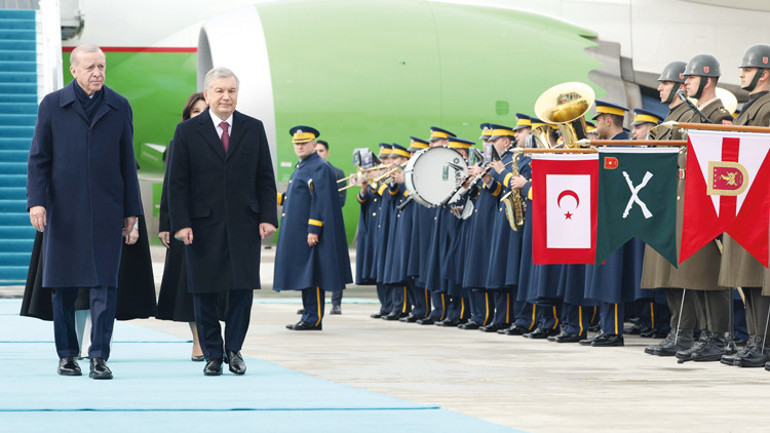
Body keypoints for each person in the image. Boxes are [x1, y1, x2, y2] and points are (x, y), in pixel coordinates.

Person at [27, 44, 143, 380]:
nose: (97, 73)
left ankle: (99, 357)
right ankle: (67, 355)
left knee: (105, 285)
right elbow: (39, 158)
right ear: (73, 70)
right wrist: (37, 201)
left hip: (107, 210)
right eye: (90, 67)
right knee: (62, 287)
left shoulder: (119, 106)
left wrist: (131, 210)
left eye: (101, 66)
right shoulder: (52, 105)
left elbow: (127, 162)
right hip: (63, 211)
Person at [169, 67, 278, 376]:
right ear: (207, 94)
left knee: (242, 289)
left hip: (245, 224)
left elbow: (265, 177)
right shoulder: (187, 132)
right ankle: (212, 355)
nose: (226, 97)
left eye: (231, 91)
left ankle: (234, 349)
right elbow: (177, 182)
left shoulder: (253, 128)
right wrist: (181, 223)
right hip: (202, 226)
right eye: (219, 91)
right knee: (204, 289)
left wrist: (267, 216)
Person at [673, 54, 734, 363]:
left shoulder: (719, 116)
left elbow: (723, 162)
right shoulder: (695, 114)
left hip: (711, 203)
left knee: (711, 273)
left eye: (692, 78)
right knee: (696, 272)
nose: (686, 83)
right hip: (693, 202)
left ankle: (719, 336)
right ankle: (707, 334)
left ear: (707, 81)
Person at [721, 44, 770, 368]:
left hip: (760, 203)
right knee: (748, 278)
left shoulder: (766, 107)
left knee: (760, 278)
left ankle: (763, 342)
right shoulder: (752, 107)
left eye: (748, 70)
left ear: (764, 74)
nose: (741, 74)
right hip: (745, 203)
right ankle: (755, 339)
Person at [275, 126, 352, 331]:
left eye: (304, 143)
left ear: (314, 144)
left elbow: (321, 200)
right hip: (300, 231)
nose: (299, 147)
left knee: (313, 273)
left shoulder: (319, 167)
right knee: (306, 274)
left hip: (309, 232)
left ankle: (313, 318)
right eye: (296, 144)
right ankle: (309, 315)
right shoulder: (303, 166)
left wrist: (314, 229)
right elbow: (298, 197)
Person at [156, 92, 211, 361]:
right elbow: (170, 185)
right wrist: (167, 223)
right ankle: (198, 341)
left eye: (205, 110)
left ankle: (215, 338)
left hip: (216, 223)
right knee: (188, 285)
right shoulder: (178, 140)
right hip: (185, 223)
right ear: (187, 116)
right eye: (195, 111)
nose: (201, 115)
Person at [315, 139, 346, 314]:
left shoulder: (337, 173)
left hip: (331, 224)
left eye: (321, 151)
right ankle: (312, 304)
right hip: (314, 223)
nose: (318, 154)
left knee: (334, 264)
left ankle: (336, 303)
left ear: (327, 153)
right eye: (316, 151)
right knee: (314, 265)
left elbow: (340, 200)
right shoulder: (309, 170)